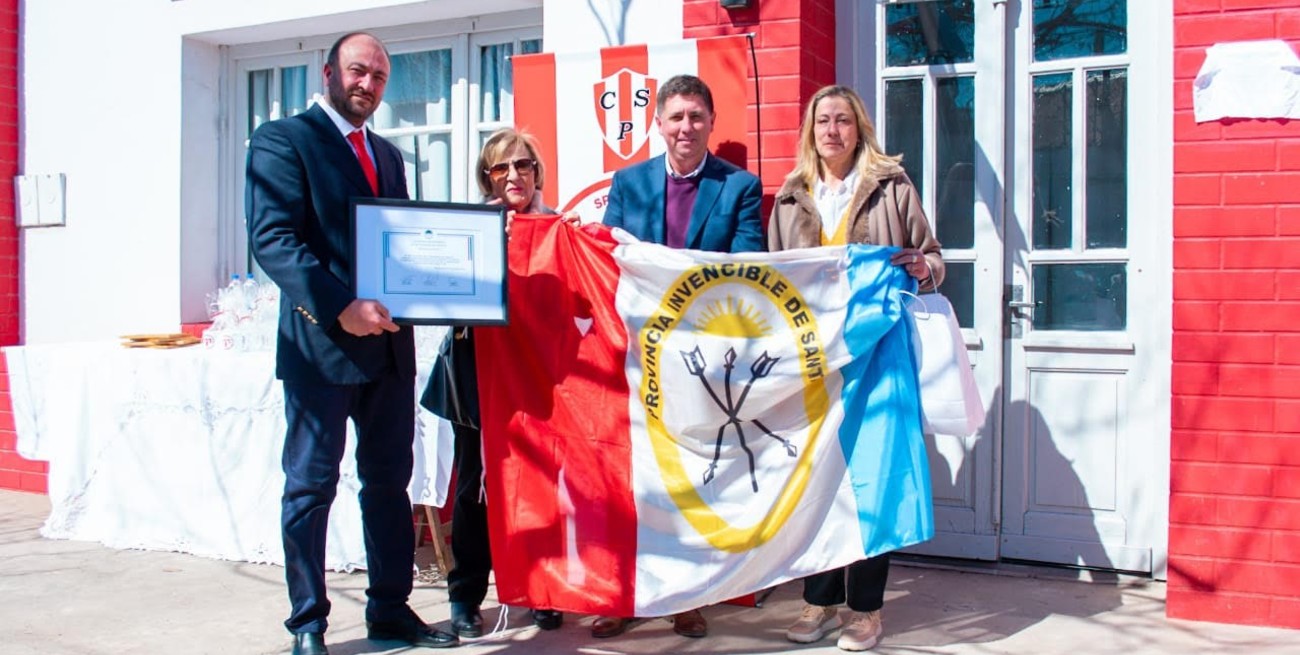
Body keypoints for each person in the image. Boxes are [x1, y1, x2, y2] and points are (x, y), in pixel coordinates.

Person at [246, 32, 460, 655]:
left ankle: (389, 611)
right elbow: (274, 239)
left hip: (389, 349)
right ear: (329, 73)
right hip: (320, 347)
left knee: (390, 484)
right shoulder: (283, 140)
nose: (368, 84)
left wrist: (450, 285)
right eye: (358, 71)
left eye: (380, 77)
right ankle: (308, 624)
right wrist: (342, 306)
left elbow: (405, 242)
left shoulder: (388, 156)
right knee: (309, 487)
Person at [768, 84, 944, 652]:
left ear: (859, 128)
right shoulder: (791, 196)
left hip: (879, 357)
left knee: (875, 477)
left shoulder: (891, 186)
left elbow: (933, 257)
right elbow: (773, 280)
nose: (832, 131)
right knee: (816, 475)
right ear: (810, 130)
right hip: (814, 363)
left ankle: (865, 610)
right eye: (823, 121)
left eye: (843, 120)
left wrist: (922, 268)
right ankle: (819, 601)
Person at [593, 73, 765, 640]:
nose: (686, 127)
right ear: (659, 123)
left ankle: (687, 599)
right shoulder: (629, 182)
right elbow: (609, 261)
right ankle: (624, 596)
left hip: (702, 357)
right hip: (637, 355)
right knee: (630, 478)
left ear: (711, 122)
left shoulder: (739, 186)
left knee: (690, 480)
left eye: (696, 116)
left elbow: (746, 267)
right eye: (676, 117)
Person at [421, 127, 570, 639]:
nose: (513, 176)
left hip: (539, 378)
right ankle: (465, 596)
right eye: (501, 167)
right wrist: (488, 246)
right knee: (474, 490)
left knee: (541, 487)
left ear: (536, 172)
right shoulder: (468, 229)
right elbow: (442, 300)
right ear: (487, 177)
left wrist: (565, 238)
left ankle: (541, 590)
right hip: (478, 377)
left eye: (523, 165)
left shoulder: (556, 227)